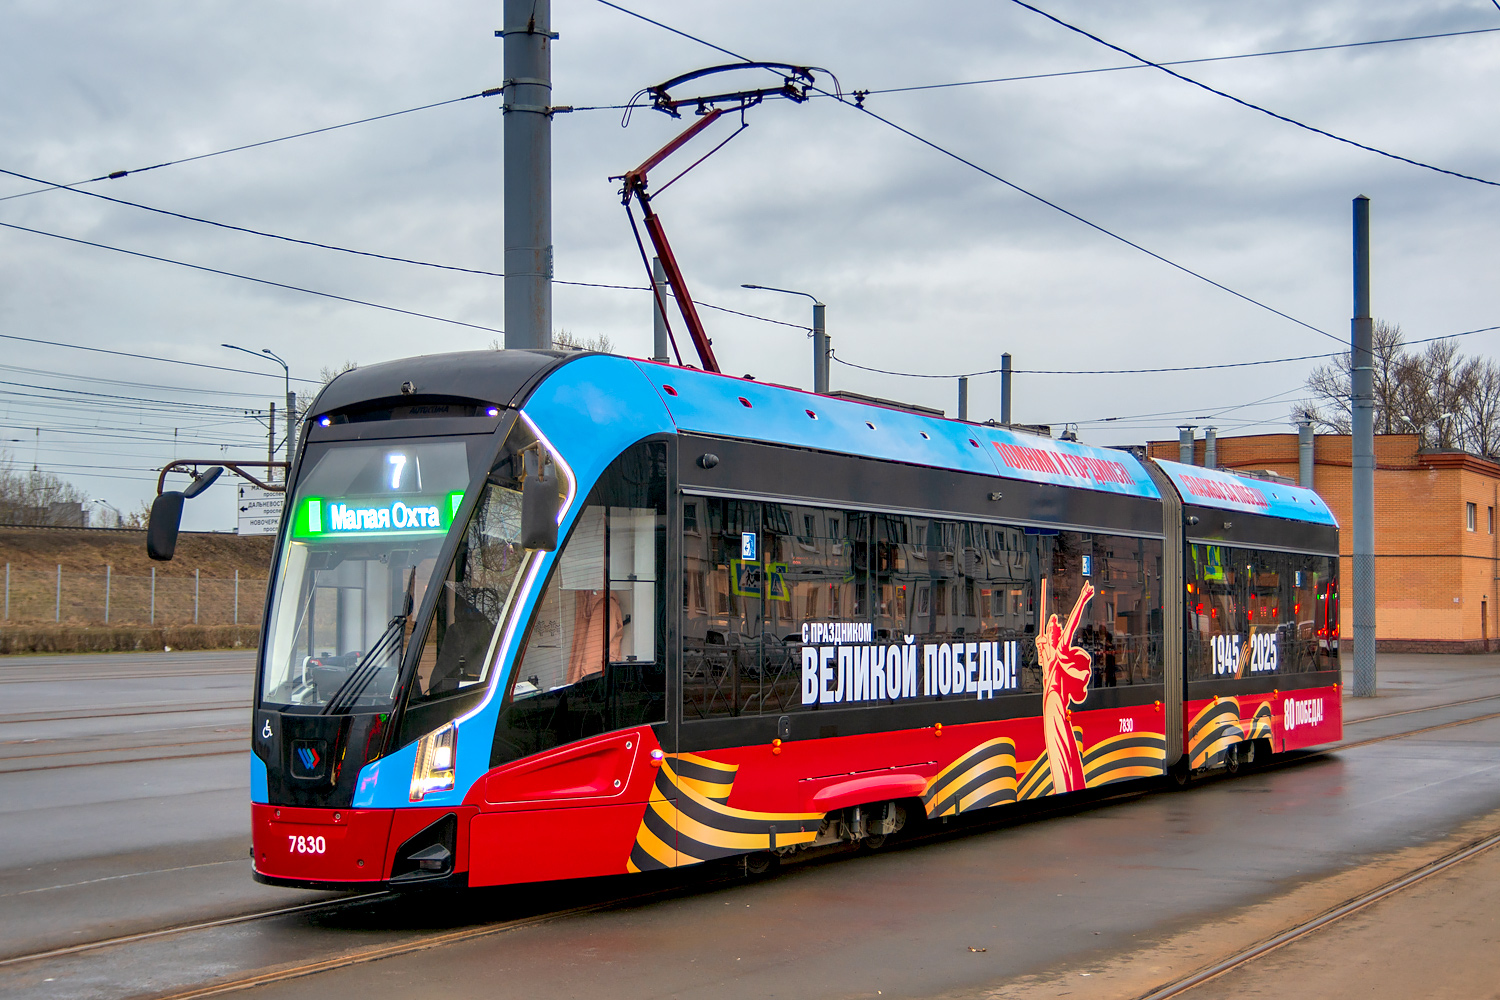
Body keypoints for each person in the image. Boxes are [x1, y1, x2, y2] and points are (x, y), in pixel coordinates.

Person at [1036, 580, 1096, 794]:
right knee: (1061, 754)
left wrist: (1082, 598)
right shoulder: (1050, 657)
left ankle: (1066, 786)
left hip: (1055, 709)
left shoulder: (1059, 654)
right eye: (1054, 628)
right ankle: (1066, 785)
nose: (1057, 629)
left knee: (1063, 753)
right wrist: (1040, 647)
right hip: (1053, 709)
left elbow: (1071, 624)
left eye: (1056, 629)